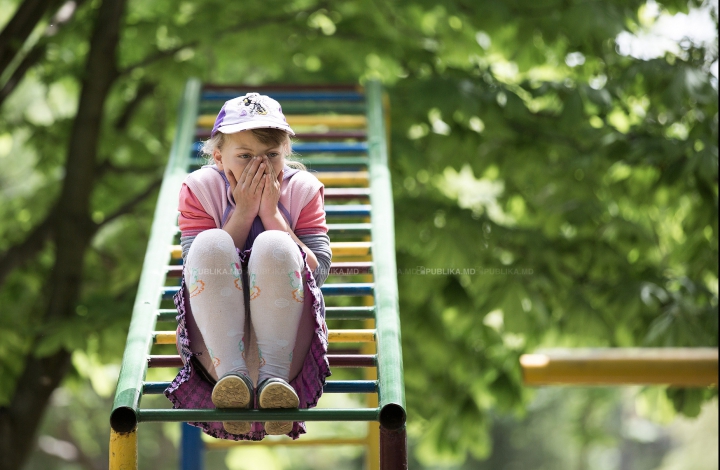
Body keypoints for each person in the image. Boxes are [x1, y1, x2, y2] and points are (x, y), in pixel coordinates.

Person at [164, 92, 332, 441]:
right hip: (218, 354)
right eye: (244, 156)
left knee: (274, 244)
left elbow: (317, 271)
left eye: (271, 155)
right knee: (211, 243)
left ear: (285, 152)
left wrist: (271, 216)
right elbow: (196, 269)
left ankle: (272, 381)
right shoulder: (199, 189)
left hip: (285, 358)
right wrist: (242, 214)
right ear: (218, 157)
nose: (261, 166)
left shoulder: (302, 190)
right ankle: (233, 379)